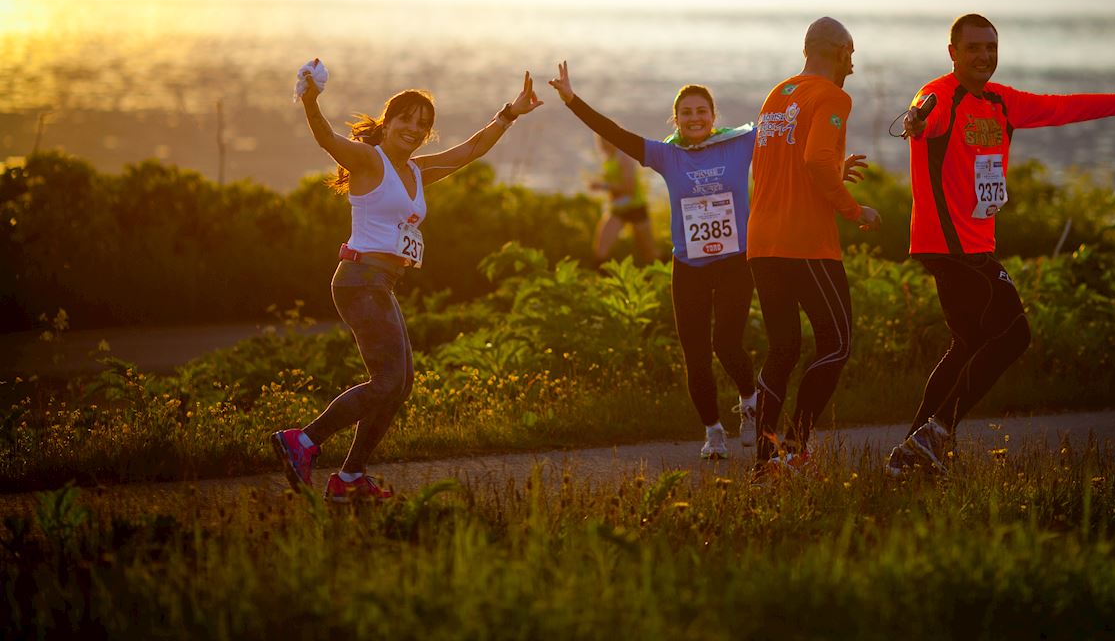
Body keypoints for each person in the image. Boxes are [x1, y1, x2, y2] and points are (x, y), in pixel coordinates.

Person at [884, 13, 1115, 476]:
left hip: (974, 245)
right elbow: (923, 117)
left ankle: (913, 451)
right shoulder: (939, 95)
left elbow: (1061, 107)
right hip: (947, 245)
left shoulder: (1002, 102)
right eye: (973, 48)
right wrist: (916, 122)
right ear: (953, 53)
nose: (984, 56)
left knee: (968, 343)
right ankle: (936, 432)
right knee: (1015, 334)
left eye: (991, 47)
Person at [272, 65, 543, 502]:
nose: (414, 129)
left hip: (381, 284)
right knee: (387, 380)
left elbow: (471, 150)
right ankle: (302, 441)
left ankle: (350, 478)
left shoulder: (416, 172)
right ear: (387, 121)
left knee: (400, 384)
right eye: (406, 119)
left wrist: (510, 113)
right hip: (359, 280)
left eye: (423, 124)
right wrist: (309, 98)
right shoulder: (369, 160)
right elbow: (326, 138)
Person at [549, 62, 759, 459]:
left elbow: (788, 144)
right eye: (686, 112)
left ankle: (750, 401)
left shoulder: (740, 143)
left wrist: (834, 167)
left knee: (727, 344)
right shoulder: (667, 155)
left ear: (713, 116)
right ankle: (713, 433)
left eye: (701, 111)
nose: (694, 118)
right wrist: (572, 100)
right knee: (696, 355)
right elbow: (614, 133)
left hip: (734, 263)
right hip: (690, 269)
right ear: (676, 120)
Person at [747, 17, 881, 473]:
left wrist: (833, 174)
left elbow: (780, 165)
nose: (852, 65)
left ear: (807, 49)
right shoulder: (833, 96)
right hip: (804, 242)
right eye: (851, 55)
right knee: (837, 343)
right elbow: (817, 160)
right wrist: (853, 209)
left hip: (762, 241)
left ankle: (766, 461)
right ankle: (795, 448)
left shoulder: (776, 95)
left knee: (783, 348)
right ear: (842, 53)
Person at [591, 132, 658, 265]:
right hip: (618, 209)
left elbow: (629, 188)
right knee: (600, 250)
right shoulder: (608, 159)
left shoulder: (623, 157)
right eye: (601, 140)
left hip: (636, 208)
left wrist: (603, 186)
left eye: (606, 139)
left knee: (650, 253)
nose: (604, 143)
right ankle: (603, 276)